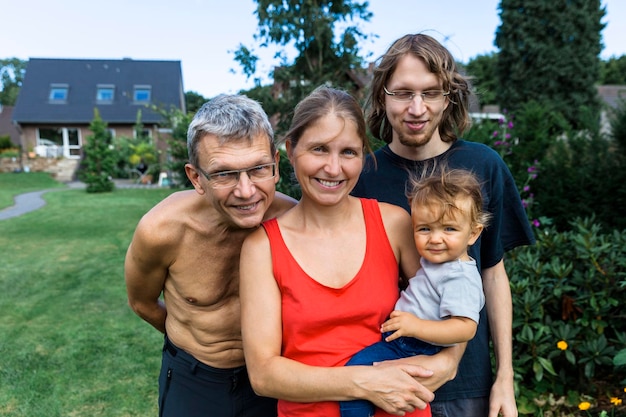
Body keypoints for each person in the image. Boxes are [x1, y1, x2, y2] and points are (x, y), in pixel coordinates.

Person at [351, 33, 536, 417]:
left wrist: (505, 378)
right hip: (385, 374)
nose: (417, 108)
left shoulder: (484, 166)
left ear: (449, 97)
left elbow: (494, 275)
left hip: (465, 385)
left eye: (431, 92)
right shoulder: (360, 175)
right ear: (382, 96)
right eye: (402, 92)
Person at [239, 86, 440, 417]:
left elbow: (450, 301)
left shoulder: (393, 224)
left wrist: (448, 362)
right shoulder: (263, 247)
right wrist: (364, 382)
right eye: (319, 149)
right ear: (290, 150)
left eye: (348, 152)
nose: (333, 169)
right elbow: (264, 375)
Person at [124, 94, 297, 417]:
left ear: (275, 164)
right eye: (224, 174)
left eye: (258, 169)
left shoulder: (296, 223)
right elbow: (142, 303)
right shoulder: (162, 230)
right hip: (193, 379)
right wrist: (197, 346)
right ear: (195, 178)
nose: (246, 191)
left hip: (277, 377)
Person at [341, 168, 491, 417]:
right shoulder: (438, 264)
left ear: (473, 233)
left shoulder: (460, 277)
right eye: (424, 229)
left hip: (415, 347)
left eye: (449, 229)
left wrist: (414, 326)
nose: (435, 238)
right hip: (406, 342)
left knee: (358, 373)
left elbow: (465, 328)